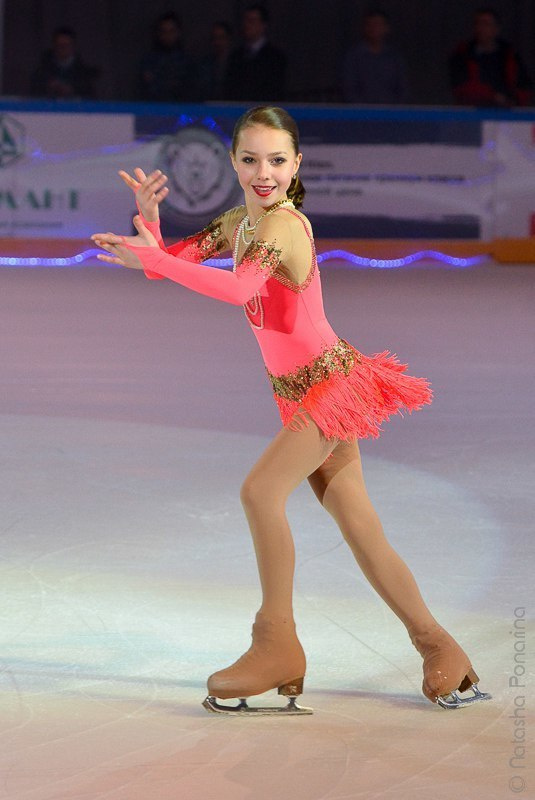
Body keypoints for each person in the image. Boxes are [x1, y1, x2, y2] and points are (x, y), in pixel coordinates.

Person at [91, 106, 490, 715]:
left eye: (277, 160)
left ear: (297, 164)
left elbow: (238, 290)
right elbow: (174, 262)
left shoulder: (281, 227)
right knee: (361, 527)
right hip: (300, 392)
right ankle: (441, 647)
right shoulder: (239, 224)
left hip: (329, 387)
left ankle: (277, 643)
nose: (263, 171)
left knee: (260, 493)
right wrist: (149, 224)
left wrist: (155, 260)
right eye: (250, 159)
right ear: (233, 162)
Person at [449, 7, 533, 107]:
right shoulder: (463, 54)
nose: (480, 28)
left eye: (486, 24)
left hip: (506, 113)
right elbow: (461, 87)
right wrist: (493, 96)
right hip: (472, 113)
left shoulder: (510, 55)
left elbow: (525, 86)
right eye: (477, 23)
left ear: (496, 29)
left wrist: (512, 100)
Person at [342, 9, 409, 104]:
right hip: (360, 114)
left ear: (387, 28)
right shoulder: (353, 57)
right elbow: (349, 90)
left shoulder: (395, 58)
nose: (374, 29)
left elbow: (403, 89)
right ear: (364, 28)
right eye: (370, 25)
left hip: (392, 114)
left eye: (378, 25)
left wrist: (393, 111)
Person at [224, 5, 286, 101]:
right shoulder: (236, 56)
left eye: (251, 21)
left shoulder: (275, 58)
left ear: (263, 25)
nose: (246, 25)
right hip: (238, 112)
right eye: (245, 21)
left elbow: (275, 90)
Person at [137, 11, 195, 102]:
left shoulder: (187, 62)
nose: (168, 36)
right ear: (159, 34)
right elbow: (147, 89)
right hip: (154, 111)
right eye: (164, 31)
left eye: (171, 31)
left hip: (182, 110)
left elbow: (187, 90)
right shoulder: (149, 61)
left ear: (178, 32)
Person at [31, 26, 98, 99]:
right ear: (54, 46)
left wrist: (72, 90)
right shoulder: (42, 70)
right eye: (60, 45)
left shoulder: (83, 73)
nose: (63, 49)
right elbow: (34, 93)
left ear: (73, 46)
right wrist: (48, 87)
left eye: (66, 45)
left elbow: (91, 97)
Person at [197, 21, 233, 101]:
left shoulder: (237, 64)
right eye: (215, 38)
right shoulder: (205, 65)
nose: (218, 42)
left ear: (229, 39)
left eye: (221, 37)